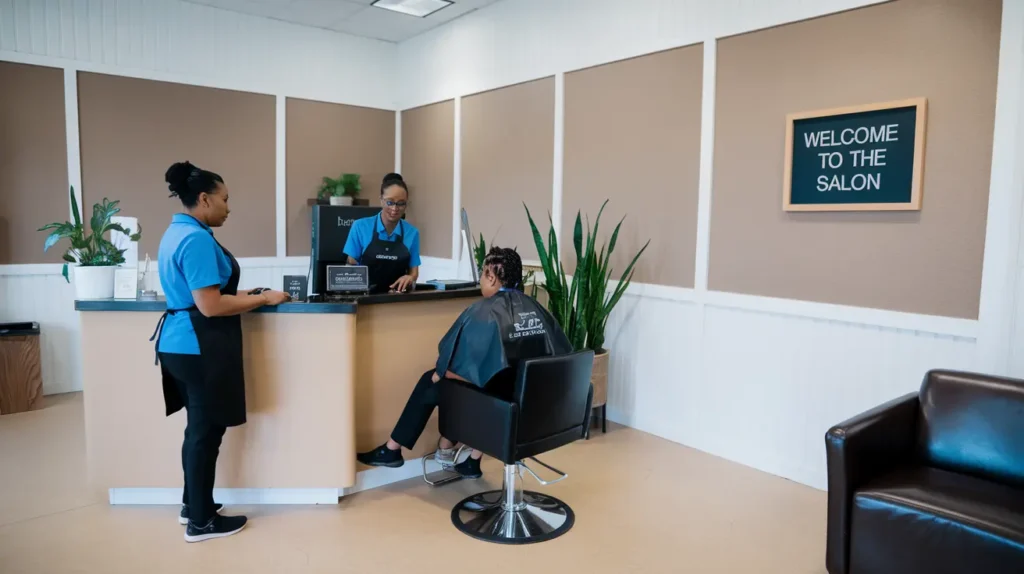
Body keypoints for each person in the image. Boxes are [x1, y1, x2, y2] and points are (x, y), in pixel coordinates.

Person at [150, 161, 290, 543]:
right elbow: (210, 305)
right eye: (225, 199)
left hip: (182, 342)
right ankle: (201, 523)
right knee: (204, 434)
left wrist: (254, 294)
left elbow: (207, 293)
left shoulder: (178, 231)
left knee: (198, 431)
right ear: (204, 198)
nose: (229, 207)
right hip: (197, 343)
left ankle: (193, 506)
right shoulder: (195, 239)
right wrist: (261, 301)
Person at [357, 247, 573, 478]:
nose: (481, 280)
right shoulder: (537, 310)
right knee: (500, 380)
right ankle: (469, 459)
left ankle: (394, 449)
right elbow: (558, 355)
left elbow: (457, 367)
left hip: (500, 405)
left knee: (433, 380)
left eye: (482, 274)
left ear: (491, 277)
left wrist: (442, 373)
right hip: (540, 408)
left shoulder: (483, 313)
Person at [343, 173, 421, 294]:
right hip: (364, 296)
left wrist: (410, 278)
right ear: (381, 200)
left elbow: (413, 272)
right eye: (390, 202)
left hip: (397, 298)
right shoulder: (360, 227)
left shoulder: (412, 232)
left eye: (401, 203)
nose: (395, 209)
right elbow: (350, 268)